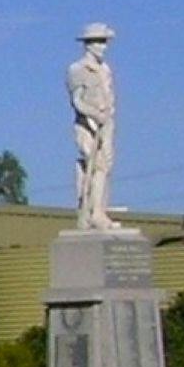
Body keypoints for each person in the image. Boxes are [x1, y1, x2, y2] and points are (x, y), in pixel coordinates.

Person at [68, 22, 117, 230]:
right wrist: (93, 115)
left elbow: (109, 96)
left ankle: (99, 210)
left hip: (106, 123)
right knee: (93, 165)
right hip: (87, 125)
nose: (103, 46)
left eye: (105, 42)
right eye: (100, 42)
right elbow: (77, 101)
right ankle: (90, 212)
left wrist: (106, 116)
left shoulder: (105, 70)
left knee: (105, 166)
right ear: (88, 44)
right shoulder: (77, 69)